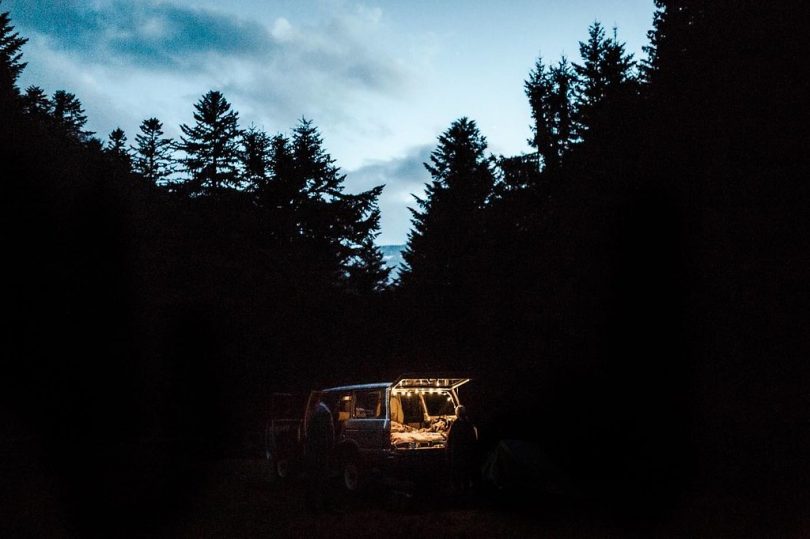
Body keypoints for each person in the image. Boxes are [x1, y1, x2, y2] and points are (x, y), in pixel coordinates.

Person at [304, 394, 335, 512]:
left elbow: (311, 432)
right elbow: (326, 433)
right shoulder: (323, 411)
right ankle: (321, 505)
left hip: (313, 449)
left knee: (313, 479)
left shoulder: (315, 410)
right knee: (321, 478)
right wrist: (329, 447)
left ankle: (311, 505)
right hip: (320, 450)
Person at [446, 404, 479, 492]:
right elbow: (474, 438)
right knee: (466, 471)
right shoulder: (469, 424)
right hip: (467, 452)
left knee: (457, 470)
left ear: (457, 413)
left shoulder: (455, 424)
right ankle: (466, 488)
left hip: (457, 452)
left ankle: (458, 490)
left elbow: (449, 438)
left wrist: (448, 449)